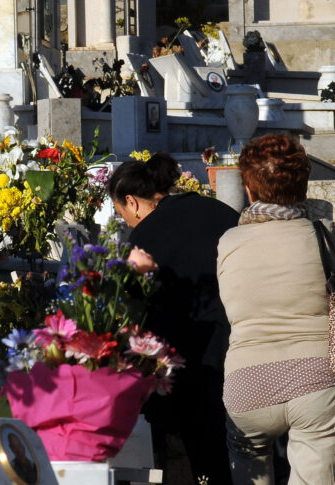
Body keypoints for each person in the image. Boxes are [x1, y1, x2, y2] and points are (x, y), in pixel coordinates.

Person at [217, 134, 335, 485]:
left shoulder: (228, 242)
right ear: (303, 186)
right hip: (320, 381)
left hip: (246, 383)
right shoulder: (323, 233)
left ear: (249, 190)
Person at [108, 152, 239, 484]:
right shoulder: (219, 211)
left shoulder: (144, 236)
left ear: (132, 202)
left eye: (122, 215)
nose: (126, 223)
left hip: (187, 357)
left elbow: (141, 307)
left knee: (195, 454)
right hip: (240, 340)